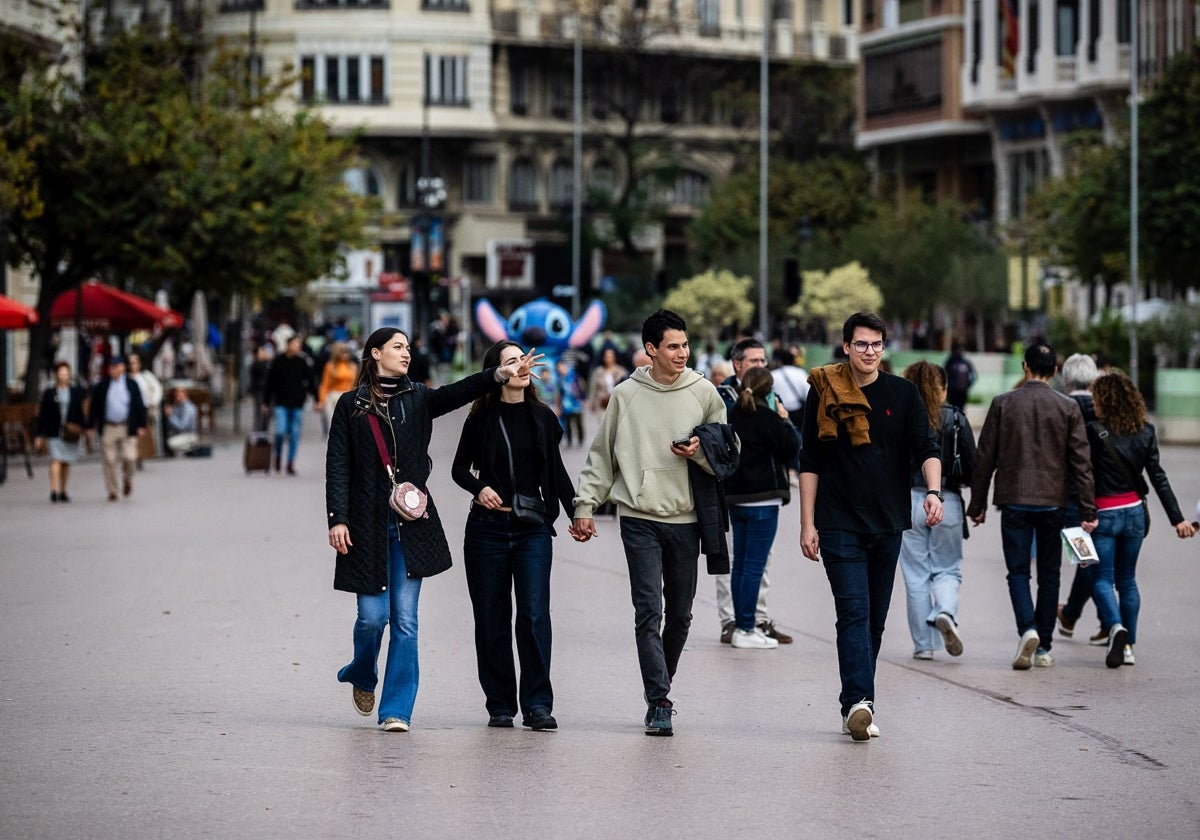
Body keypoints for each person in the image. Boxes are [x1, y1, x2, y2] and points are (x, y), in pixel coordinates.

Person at [326, 327, 538, 733]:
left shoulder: (419, 398)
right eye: (398, 347)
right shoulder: (350, 405)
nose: (407, 353)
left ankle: (396, 711)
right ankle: (363, 672)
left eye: (408, 347)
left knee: (405, 621)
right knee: (371, 619)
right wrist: (338, 517)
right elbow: (338, 465)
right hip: (365, 526)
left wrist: (500, 373)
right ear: (375, 354)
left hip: (411, 523)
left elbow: (459, 391)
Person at [571, 309, 728, 737]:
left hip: (688, 518)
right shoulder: (626, 395)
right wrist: (585, 505)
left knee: (680, 616)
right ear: (651, 350)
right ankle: (660, 700)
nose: (682, 353)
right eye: (673, 346)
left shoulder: (705, 392)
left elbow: (726, 453)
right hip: (638, 517)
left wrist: (698, 449)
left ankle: (660, 684)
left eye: (685, 344)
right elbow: (602, 455)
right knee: (648, 611)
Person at [799, 311, 943, 742]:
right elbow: (809, 460)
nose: (870, 352)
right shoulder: (824, 390)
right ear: (846, 346)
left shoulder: (903, 394)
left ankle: (854, 704)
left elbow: (926, 447)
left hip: (888, 523)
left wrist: (933, 492)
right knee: (854, 613)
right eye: (861, 344)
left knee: (874, 621)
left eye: (877, 345)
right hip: (838, 520)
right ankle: (860, 702)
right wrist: (807, 523)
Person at [451, 340, 577, 730]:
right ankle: (500, 704)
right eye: (511, 361)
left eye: (523, 359)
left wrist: (579, 514)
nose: (521, 365)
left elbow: (555, 472)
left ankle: (538, 704)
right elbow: (459, 470)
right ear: (497, 371)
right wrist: (479, 488)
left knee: (534, 615)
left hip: (531, 530)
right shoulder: (481, 418)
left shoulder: (542, 417)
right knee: (491, 619)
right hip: (486, 531)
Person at [967, 342, 1097, 671]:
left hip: (1014, 499)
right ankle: (1044, 647)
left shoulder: (1003, 404)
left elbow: (985, 458)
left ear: (1025, 367)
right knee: (1050, 575)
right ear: (1054, 371)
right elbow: (1082, 464)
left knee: (1018, 572)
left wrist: (977, 504)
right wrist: (1087, 511)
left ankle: (1027, 628)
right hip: (1055, 502)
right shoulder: (1068, 408)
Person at [1084, 373, 1196, 667]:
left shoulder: (1094, 431)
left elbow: (1084, 476)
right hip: (1134, 514)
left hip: (1104, 515)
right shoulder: (1146, 431)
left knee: (1101, 579)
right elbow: (1158, 478)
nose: (1093, 404)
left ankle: (1116, 627)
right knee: (1128, 580)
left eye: (1096, 399)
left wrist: (1082, 511)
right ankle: (1129, 646)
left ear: (1106, 401)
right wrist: (1178, 519)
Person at [897, 361, 977, 660]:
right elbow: (972, 464)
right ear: (943, 388)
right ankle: (944, 611)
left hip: (907, 500)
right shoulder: (955, 418)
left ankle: (923, 646)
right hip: (947, 499)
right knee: (947, 567)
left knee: (915, 575)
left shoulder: (901, 416)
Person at [715, 337, 791, 645]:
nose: (760, 365)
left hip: (738, 495)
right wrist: (784, 422)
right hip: (751, 494)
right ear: (738, 364)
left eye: (763, 361)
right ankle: (738, 623)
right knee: (741, 562)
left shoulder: (760, 401)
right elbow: (789, 447)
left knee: (751, 563)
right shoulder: (723, 398)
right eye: (755, 361)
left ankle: (753, 620)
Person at [1055, 353, 1106, 645]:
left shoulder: (1063, 407)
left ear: (1067, 378)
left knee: (1086, 561)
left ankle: (1085, 616)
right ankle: (1088, 618)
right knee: (1092, 561)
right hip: (1108, 496)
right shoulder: (1105, 410)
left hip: (1073, 498)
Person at [87, 356, 148, 501]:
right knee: (109, 460)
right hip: (109, 426)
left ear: (122, 368)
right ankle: (112, 490)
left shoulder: (131, 384)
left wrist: (141, 425)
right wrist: (90, 426)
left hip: (127, 426)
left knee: (130, 457)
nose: (113, 370)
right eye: (111, 367)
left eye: (116, 367)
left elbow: (140, 405)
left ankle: (128, 478)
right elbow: (94, 407)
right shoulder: (102, 385)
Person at [34, 361, 87, 503]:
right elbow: (43, 415)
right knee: (56, 460)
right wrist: (40, 434)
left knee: (66, 462)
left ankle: (63, 490)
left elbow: (80, 413)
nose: (64, 375)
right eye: (61, 372)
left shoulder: (75, 392)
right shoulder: (49, 392)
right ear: (56, 375)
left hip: (70, 432)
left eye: (66, 372)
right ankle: (54, 490)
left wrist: (83, 428)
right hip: (53, 431)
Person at [265, 334, 317, 475]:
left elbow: (311, 381)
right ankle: (278, 455)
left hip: (297, 402)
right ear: (288, 345)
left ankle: (290, 463)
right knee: (280, 431)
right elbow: (269, 383)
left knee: (294, 434)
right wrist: (266, 401)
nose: (297, 347)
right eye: (295, 344)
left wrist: (317, 399)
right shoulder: (278, 361)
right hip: (281, 402)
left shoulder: (302, 362)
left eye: (299, 345)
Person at [317, 342, 358, 438]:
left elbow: (356, 383)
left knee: (349, 424)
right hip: (333, 396)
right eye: (343, 352)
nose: (346, 354)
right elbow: (325, 385)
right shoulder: (330, 366)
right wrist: (321, 401)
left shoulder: (352, 366)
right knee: (334, 425)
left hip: (349, 395)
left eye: (347, 352)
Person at [127, 352, 163, 464]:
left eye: (135, 362)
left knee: (143, 433)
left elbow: (157, 389)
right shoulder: (126, 378)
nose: (133, 365)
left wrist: (153, 402)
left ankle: (141, 456)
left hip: (144, 408)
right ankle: (133, 455)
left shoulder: (145, 376)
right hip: (130, 410)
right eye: (131, 363)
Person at [554, 358, 585, 446]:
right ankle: (569, 440)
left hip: (576, 404)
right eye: (559, 368)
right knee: (567, 424)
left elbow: (581, 387)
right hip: (566, 405)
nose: (561, 369)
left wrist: (582, 399)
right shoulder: (559, 380)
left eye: (562, 367)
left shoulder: (574, 376)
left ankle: (580, 439)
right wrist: (558, 406)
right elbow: (559, 394)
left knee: (578, 423)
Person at [587, 347, 626, 413]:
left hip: (616, 402)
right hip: (601, 403)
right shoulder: (598, 371)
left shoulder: (621, 371)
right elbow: (594, 388)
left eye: (610, 357)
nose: (608, 359)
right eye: (606, 357)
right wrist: (591, 403)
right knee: (602, 422)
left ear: (614, 357)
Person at [164, 386, 199, 455]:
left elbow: (182, 427)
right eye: (176, 394)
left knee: (170, 443)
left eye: (179, 393)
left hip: (188, 435)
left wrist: (170, 416)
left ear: (185, 394)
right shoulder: (176, 406)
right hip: (177, 434)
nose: (177, 396)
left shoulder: (189, 408)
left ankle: (190, 447)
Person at [943, 342, 976, 410]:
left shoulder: (964, 362)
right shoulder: (950, 362)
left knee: (958, 409)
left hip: (960, 391)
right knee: (955, 408)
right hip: (954, 391)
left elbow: (973, 376)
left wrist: (967, 385)